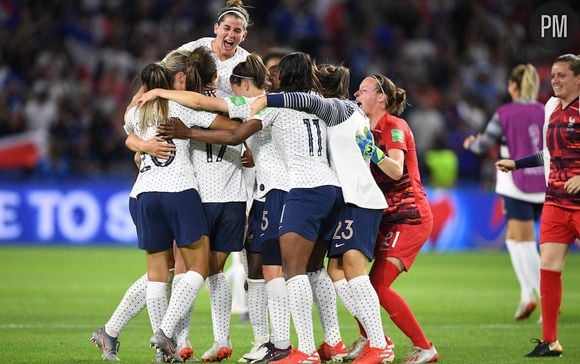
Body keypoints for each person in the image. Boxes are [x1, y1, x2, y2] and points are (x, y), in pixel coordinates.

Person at [143, 54, 294, 363]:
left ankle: (175, 339)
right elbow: (242, 134)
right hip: (236, 199)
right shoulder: (237, 105)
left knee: (187, 271)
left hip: (197, 199)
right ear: (215, 78)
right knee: (216, 271)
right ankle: (222, 339)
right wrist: (248, 149)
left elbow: (202, 115)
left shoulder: (183, 107)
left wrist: (157, 101)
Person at [254, 63, 395, 364]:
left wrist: (266, 99)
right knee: (332, 272)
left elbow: (306, 100)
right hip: (345, 198)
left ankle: (380, 343)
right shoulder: (346, 115)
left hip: (359, 199)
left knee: (354, 273)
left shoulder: (337, 108)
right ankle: (357, 339)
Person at [495, 54, 579, 358]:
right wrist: (516, 164)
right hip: (556, 200)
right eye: (553, 75)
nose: (554, 80)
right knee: (548, 267)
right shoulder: (551, 107)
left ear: (578, 79)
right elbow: (548, 153)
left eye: (562, 75)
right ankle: (550, 341)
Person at [353, 74, 438, 364]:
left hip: (409, 215)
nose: (356, 93)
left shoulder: (394, 126)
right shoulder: (364, 126)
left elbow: (395, 170)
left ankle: (425, 347)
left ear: (381, 98)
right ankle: (371, 340)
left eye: (363, 90)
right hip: (386, 216)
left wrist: (371, 151)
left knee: (377, 285)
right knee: (352, 276)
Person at [464, 63, 546, 321]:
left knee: (523, 242)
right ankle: (525, 295)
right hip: (544, 179)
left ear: (513, 86)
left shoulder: (504, 113)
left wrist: (471, 143)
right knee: (513, 238)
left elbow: (484, 145)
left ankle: (547, 298)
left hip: (515, 180)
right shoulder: (545, 110)